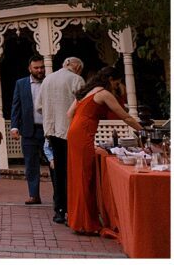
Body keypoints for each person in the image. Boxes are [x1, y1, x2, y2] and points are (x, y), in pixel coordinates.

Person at [66, 66, 142, 235]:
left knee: (78, 176)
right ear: (110, 79)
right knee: (86, 177)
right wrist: (143, 132)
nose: (117, 85)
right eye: (117, 82)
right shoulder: (103, 93)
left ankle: (78, 221)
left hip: (75, 133)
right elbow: (126, 116)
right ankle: (86, 224)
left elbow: (69, 113)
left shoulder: (87, 91)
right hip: (83, 133)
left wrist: (75, 131)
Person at [36, 56, 84, 224]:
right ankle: (72, 208)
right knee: (72, 171)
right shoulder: (77, 80)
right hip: (70, 130)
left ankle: (59, 210)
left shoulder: (48, 79)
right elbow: (82, 105)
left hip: (52, 130)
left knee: (58, 171)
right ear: (77, 68)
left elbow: (39, 106)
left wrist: (52, 116)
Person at [11, 55, 47, 205]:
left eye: (42, 67)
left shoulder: (48, 82)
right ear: (30, 69)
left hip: (47, 130)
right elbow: (16, 105)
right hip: (28, 130)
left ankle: (58, 196)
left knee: (53, 162)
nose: (40, 70)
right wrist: (14, 126)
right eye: (36, 68)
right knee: (31, 164)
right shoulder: (21, 83)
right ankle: (34, 195)